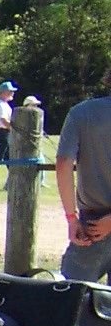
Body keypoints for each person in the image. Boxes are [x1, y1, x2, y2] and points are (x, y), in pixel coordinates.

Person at [56, 69, 111, 281]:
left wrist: (71, 218)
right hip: (96, 224)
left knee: (73, 303)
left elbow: (63, 165)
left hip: (91, 225)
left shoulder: (81, 113)